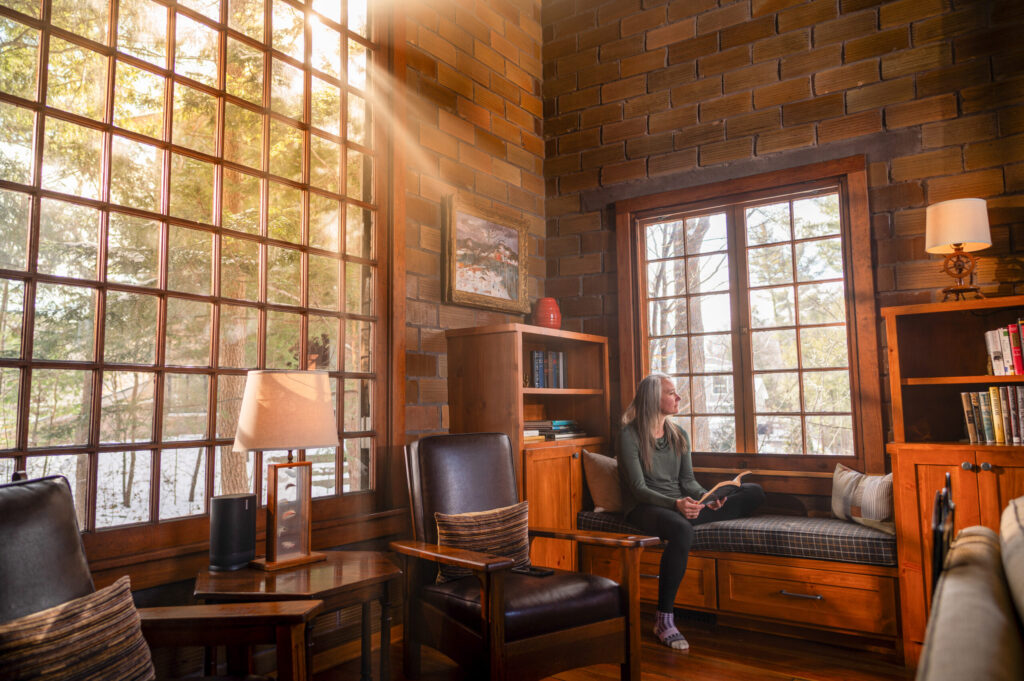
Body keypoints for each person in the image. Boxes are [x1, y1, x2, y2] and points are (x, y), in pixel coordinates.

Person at [618, 373, 765, 651]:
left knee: (753, 491)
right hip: (645, 508)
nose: (678, 398)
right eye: (672, 393)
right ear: (653, 399)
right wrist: (676, 504)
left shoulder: (678, 434)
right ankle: (664, 620)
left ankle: (697, 513)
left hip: (680, 505)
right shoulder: (629, 435)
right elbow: (637, 488)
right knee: (682, 529)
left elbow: (687, 481)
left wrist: (705, 498)